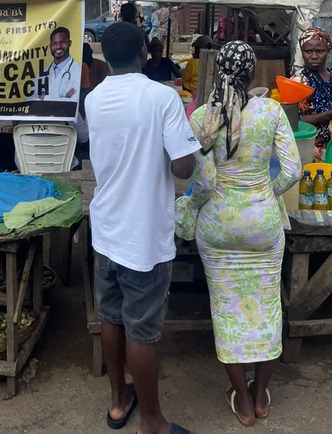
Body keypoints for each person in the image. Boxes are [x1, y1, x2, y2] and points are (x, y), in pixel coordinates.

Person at [175, 41, 301, 426]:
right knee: (267, 308)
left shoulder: (202, 118)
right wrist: (265, 194)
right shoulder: (271, 111)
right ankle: (261, 394)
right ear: (253, 72)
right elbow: (293, 171)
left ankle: (242, 401)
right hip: (263, 225)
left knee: (227, 310)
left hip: (219, 227)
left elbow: (207, 179)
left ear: (218, 71)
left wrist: (190, 207)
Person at [86, 22, 199, 434]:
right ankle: (152, 422)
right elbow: (183, 166)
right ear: (143, 55)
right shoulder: (162, 98)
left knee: (111, 318)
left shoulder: (95, 99)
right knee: (142, 330)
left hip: (107, 228)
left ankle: (119, 403)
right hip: (144, 234)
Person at [291, 27, 332, 160]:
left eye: (320, 51)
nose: (314, 56)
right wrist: (331, 114)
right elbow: (294, 121)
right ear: (302, 53)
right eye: (308, 51)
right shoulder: (299, 81)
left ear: (328, 51)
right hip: (313, 149)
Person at [41, 27, 82, 101]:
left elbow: (74, 102)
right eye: (54, 43)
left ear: (69, 43)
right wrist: (64, 98)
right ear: (50, 46)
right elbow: (32, 100)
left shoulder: (78, 71)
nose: (58, 46)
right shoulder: (43, 72)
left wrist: (45, 98)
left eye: (62, 42)